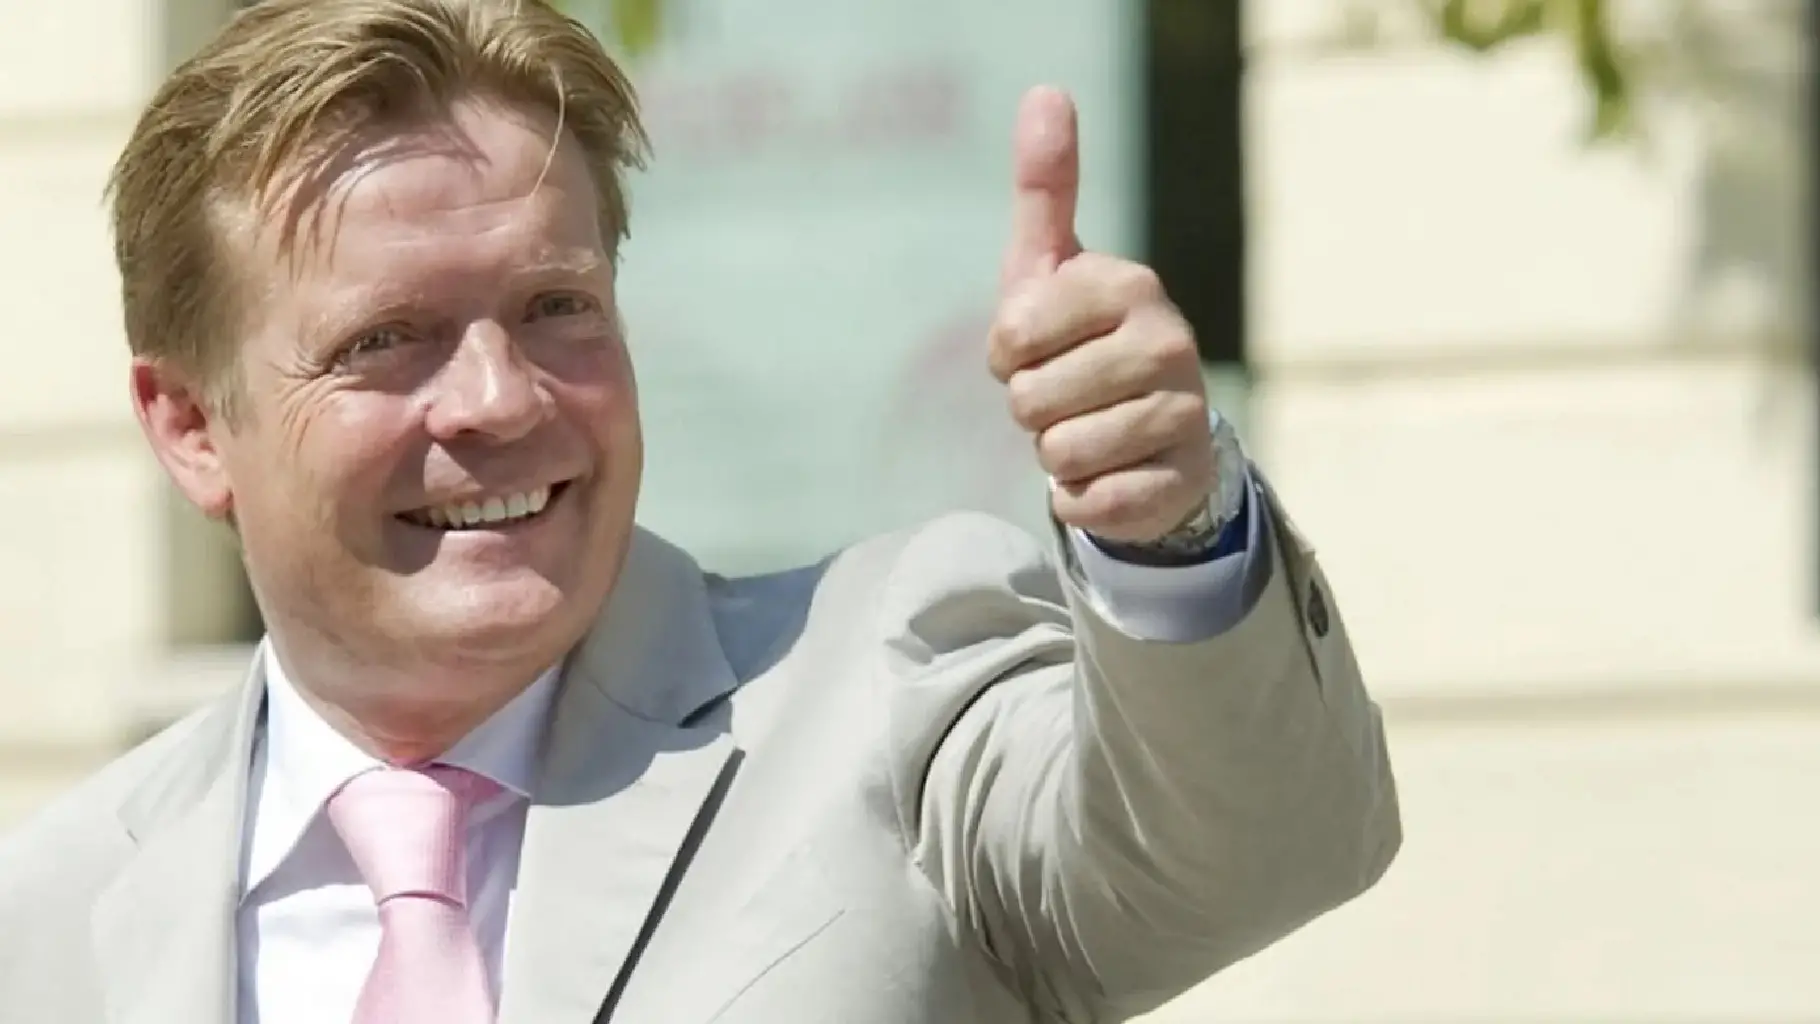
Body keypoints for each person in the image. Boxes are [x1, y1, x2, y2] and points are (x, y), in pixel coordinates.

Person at [0, 1, 1399, 1021]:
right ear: (191, 428)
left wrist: (1169, 527)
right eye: (387, 340)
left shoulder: (889, 682)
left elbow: (1254, 854)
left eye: (556, 307)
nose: (498, 397)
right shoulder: (52, 920)